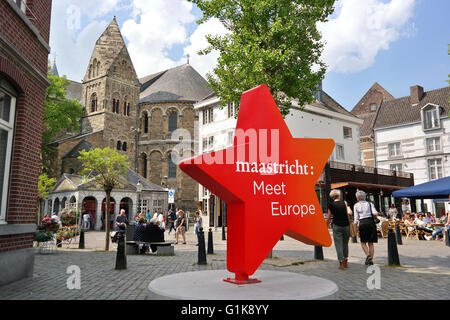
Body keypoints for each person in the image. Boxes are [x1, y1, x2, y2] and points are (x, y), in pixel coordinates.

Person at [326, 190, 352, 270]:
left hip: (337, 225)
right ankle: (346, 260)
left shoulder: (331, 205)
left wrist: (326, 224)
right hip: (346, 225)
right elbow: (350, 213)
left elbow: (329, 216)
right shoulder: (344, 203)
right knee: (345, 243)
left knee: (338, 245)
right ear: (339, 196)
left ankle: (341, 263)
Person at [353, 190, 378, 266]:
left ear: (357, 197)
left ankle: (368, 256)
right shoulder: (370, 204)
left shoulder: (356, 205)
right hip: (370, 222)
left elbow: (356, 218)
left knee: (363, 242)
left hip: (362, 223)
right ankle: (371, 260)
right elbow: (375, 213)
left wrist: (355, 227)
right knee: (371, 243)